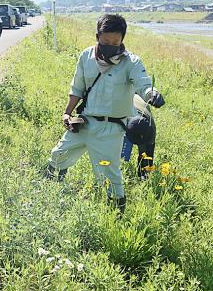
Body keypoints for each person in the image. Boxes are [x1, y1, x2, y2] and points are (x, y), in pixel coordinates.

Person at [44, 14, 165, 213]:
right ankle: (49, 196)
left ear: (122, 40)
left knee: (110, 174)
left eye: (116, 42)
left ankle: (116, 214)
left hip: (111, 128)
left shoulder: (131, 62)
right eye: (106, 41)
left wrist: (151, 93)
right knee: (58, 155)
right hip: (84, 122)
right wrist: (67, 113)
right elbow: (77, 88)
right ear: (97, 36)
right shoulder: (86, 56)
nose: (111, 45)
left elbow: (143, 83)